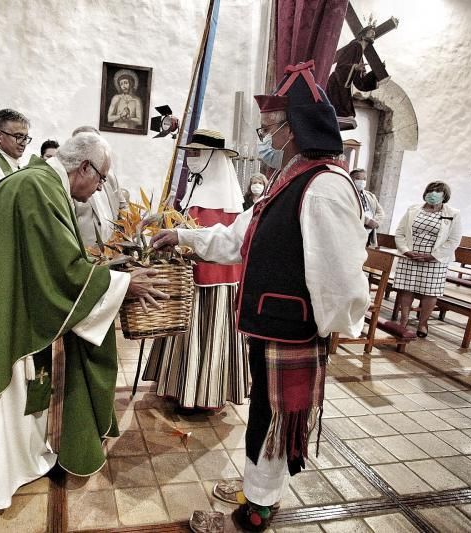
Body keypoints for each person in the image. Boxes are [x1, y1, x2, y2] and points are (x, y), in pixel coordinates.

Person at [152, 61, 369, 531]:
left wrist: (327, 329)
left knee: (274, 418)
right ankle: (258, 486)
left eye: (269, 128)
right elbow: (236, 237)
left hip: (293, 328)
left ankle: (258, 508)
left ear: (293, 130)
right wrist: (184, 238)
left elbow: (341, 277)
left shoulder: (326, 186)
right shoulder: (288, 180)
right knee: (264, 412)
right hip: (270, 323)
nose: (263, 138)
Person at [0, 132, 168, 510]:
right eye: (102, 178)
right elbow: (62, 273)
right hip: (2, 312)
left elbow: (52, 259)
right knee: (13, 388)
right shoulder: (40, 189)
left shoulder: (40, 181)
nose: (101, 186)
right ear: (84, 168)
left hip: (3, 299)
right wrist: (123, 284)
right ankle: (2, 470)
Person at [143, 129, 249, 411]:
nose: (190, 158)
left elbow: (220, 241)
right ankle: (179, 386)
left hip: (214, 286)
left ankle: (203, 395)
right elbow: (185, 222)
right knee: (183, 334)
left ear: (212, 157)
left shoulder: (226, 203)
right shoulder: (196, 186)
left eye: (196, 152)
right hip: (186, 280)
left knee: (207, 336)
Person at [393, 181, 462, 338]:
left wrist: (433, 256)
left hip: (435, 259)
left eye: (438, 191)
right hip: (411, 255)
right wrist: (406, 251)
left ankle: (422, 323)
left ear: (445, 196)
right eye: (431, 190)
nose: (433, 194)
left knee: (430, 292)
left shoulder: (453, 213)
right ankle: (403, 320)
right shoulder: (413, 209)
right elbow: (400, 232)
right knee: (406, 288)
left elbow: (454, 240)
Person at [70, 126, 126, 247]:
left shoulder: (110, 177)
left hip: (114, 252)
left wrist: (125, 240)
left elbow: (123, 207)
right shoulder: (72, 182)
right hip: (87, 255)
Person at [326, 26, 388, 127]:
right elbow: (340, 66)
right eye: (370, 32)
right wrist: (354, 68)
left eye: (374, 33)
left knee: (347, 114)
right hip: (336, 84)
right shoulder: (355, 46)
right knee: (343, 113)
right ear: (363, 36)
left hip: (343, 86)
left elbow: (360, 82)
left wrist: (375, 73)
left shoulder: (360, 55)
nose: (373, 34)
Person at [350, 168, 385, 246]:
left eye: (364, 179)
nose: (362, 182)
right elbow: (349, 211)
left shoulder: (370, 195)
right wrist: (367, 221)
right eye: (358, 178)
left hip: (369, 234)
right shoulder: (348, 195)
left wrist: (376, 222)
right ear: (350, 179)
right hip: (353, 232)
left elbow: (380, 212)